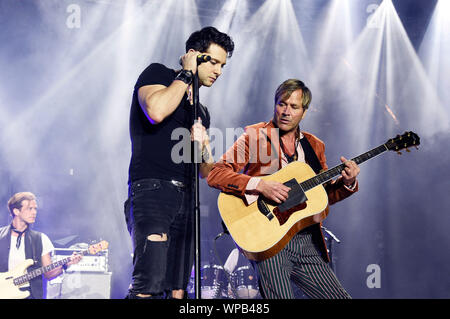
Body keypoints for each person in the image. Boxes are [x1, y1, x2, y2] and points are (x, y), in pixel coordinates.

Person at [207, 79, 360, 299]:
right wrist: (260, 185)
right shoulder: (255, 136)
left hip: (306, 240)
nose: (286, 112)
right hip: (268, 240)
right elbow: (216, 173)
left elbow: (321, 196)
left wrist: (347, 183)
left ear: (304, 112)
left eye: (294, 107)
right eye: (281, 104)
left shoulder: (315, 145)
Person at [124, 26, 234, 299]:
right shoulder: (158, 74)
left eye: (223, 65)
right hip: (152, 191)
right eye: (214, 62)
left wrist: (205, 146)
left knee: (178, 290)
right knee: (148, 286)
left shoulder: (201, 111)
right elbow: (156, 111)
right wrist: (185, 74)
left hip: (187, 200)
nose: (219, 71)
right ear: (193, 55)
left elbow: (206, 172)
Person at [0, 192, 82, 299]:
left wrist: (66, 265)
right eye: (30, 209)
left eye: (35, 209)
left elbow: (48, 274)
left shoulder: (41, 239)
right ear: (16, 211)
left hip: (29, 294)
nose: (34, 212)